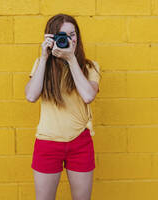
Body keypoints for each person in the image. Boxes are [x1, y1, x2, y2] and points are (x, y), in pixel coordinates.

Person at [25, 13, 101, 200]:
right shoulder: (42, 65)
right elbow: (31, 95)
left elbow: (88, 95)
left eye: (72, 34)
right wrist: (44, 57)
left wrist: (71, 59)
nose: (68, 39)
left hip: (79, 142)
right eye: (62, 35)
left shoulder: (90, 67)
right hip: (47, 142)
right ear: (51, 38)